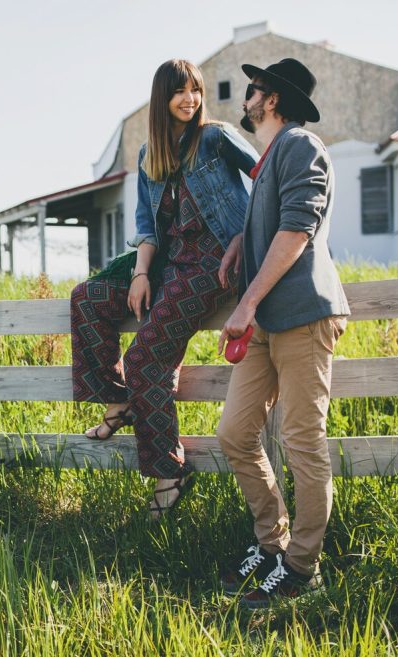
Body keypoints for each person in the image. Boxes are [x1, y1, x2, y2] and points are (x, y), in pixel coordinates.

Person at [70, 59, 258, 520]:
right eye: (180, 92)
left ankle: (169, 472)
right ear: (162, 98)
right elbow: (145, 226)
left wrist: (245, 234)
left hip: (214, 263)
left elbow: (266, 178)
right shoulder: (148, 155)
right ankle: (119, 399)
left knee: (145, 356)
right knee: (87, 298)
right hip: (169, 264)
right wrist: (138, 274)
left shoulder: (215, 138)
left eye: (195, 90)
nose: (190, 99)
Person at [215, 58, 350, 607]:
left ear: (270, 99)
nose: (245, 97)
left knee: (301, 443)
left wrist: (245, 302)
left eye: (252, 90)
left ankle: (302, 568)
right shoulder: (270, 157)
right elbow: (273, 224)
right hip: (269, 321)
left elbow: (299, 226)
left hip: (300, 314)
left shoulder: (300, 145)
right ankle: (273, 544)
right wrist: (240, 243)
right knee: (235, 434)